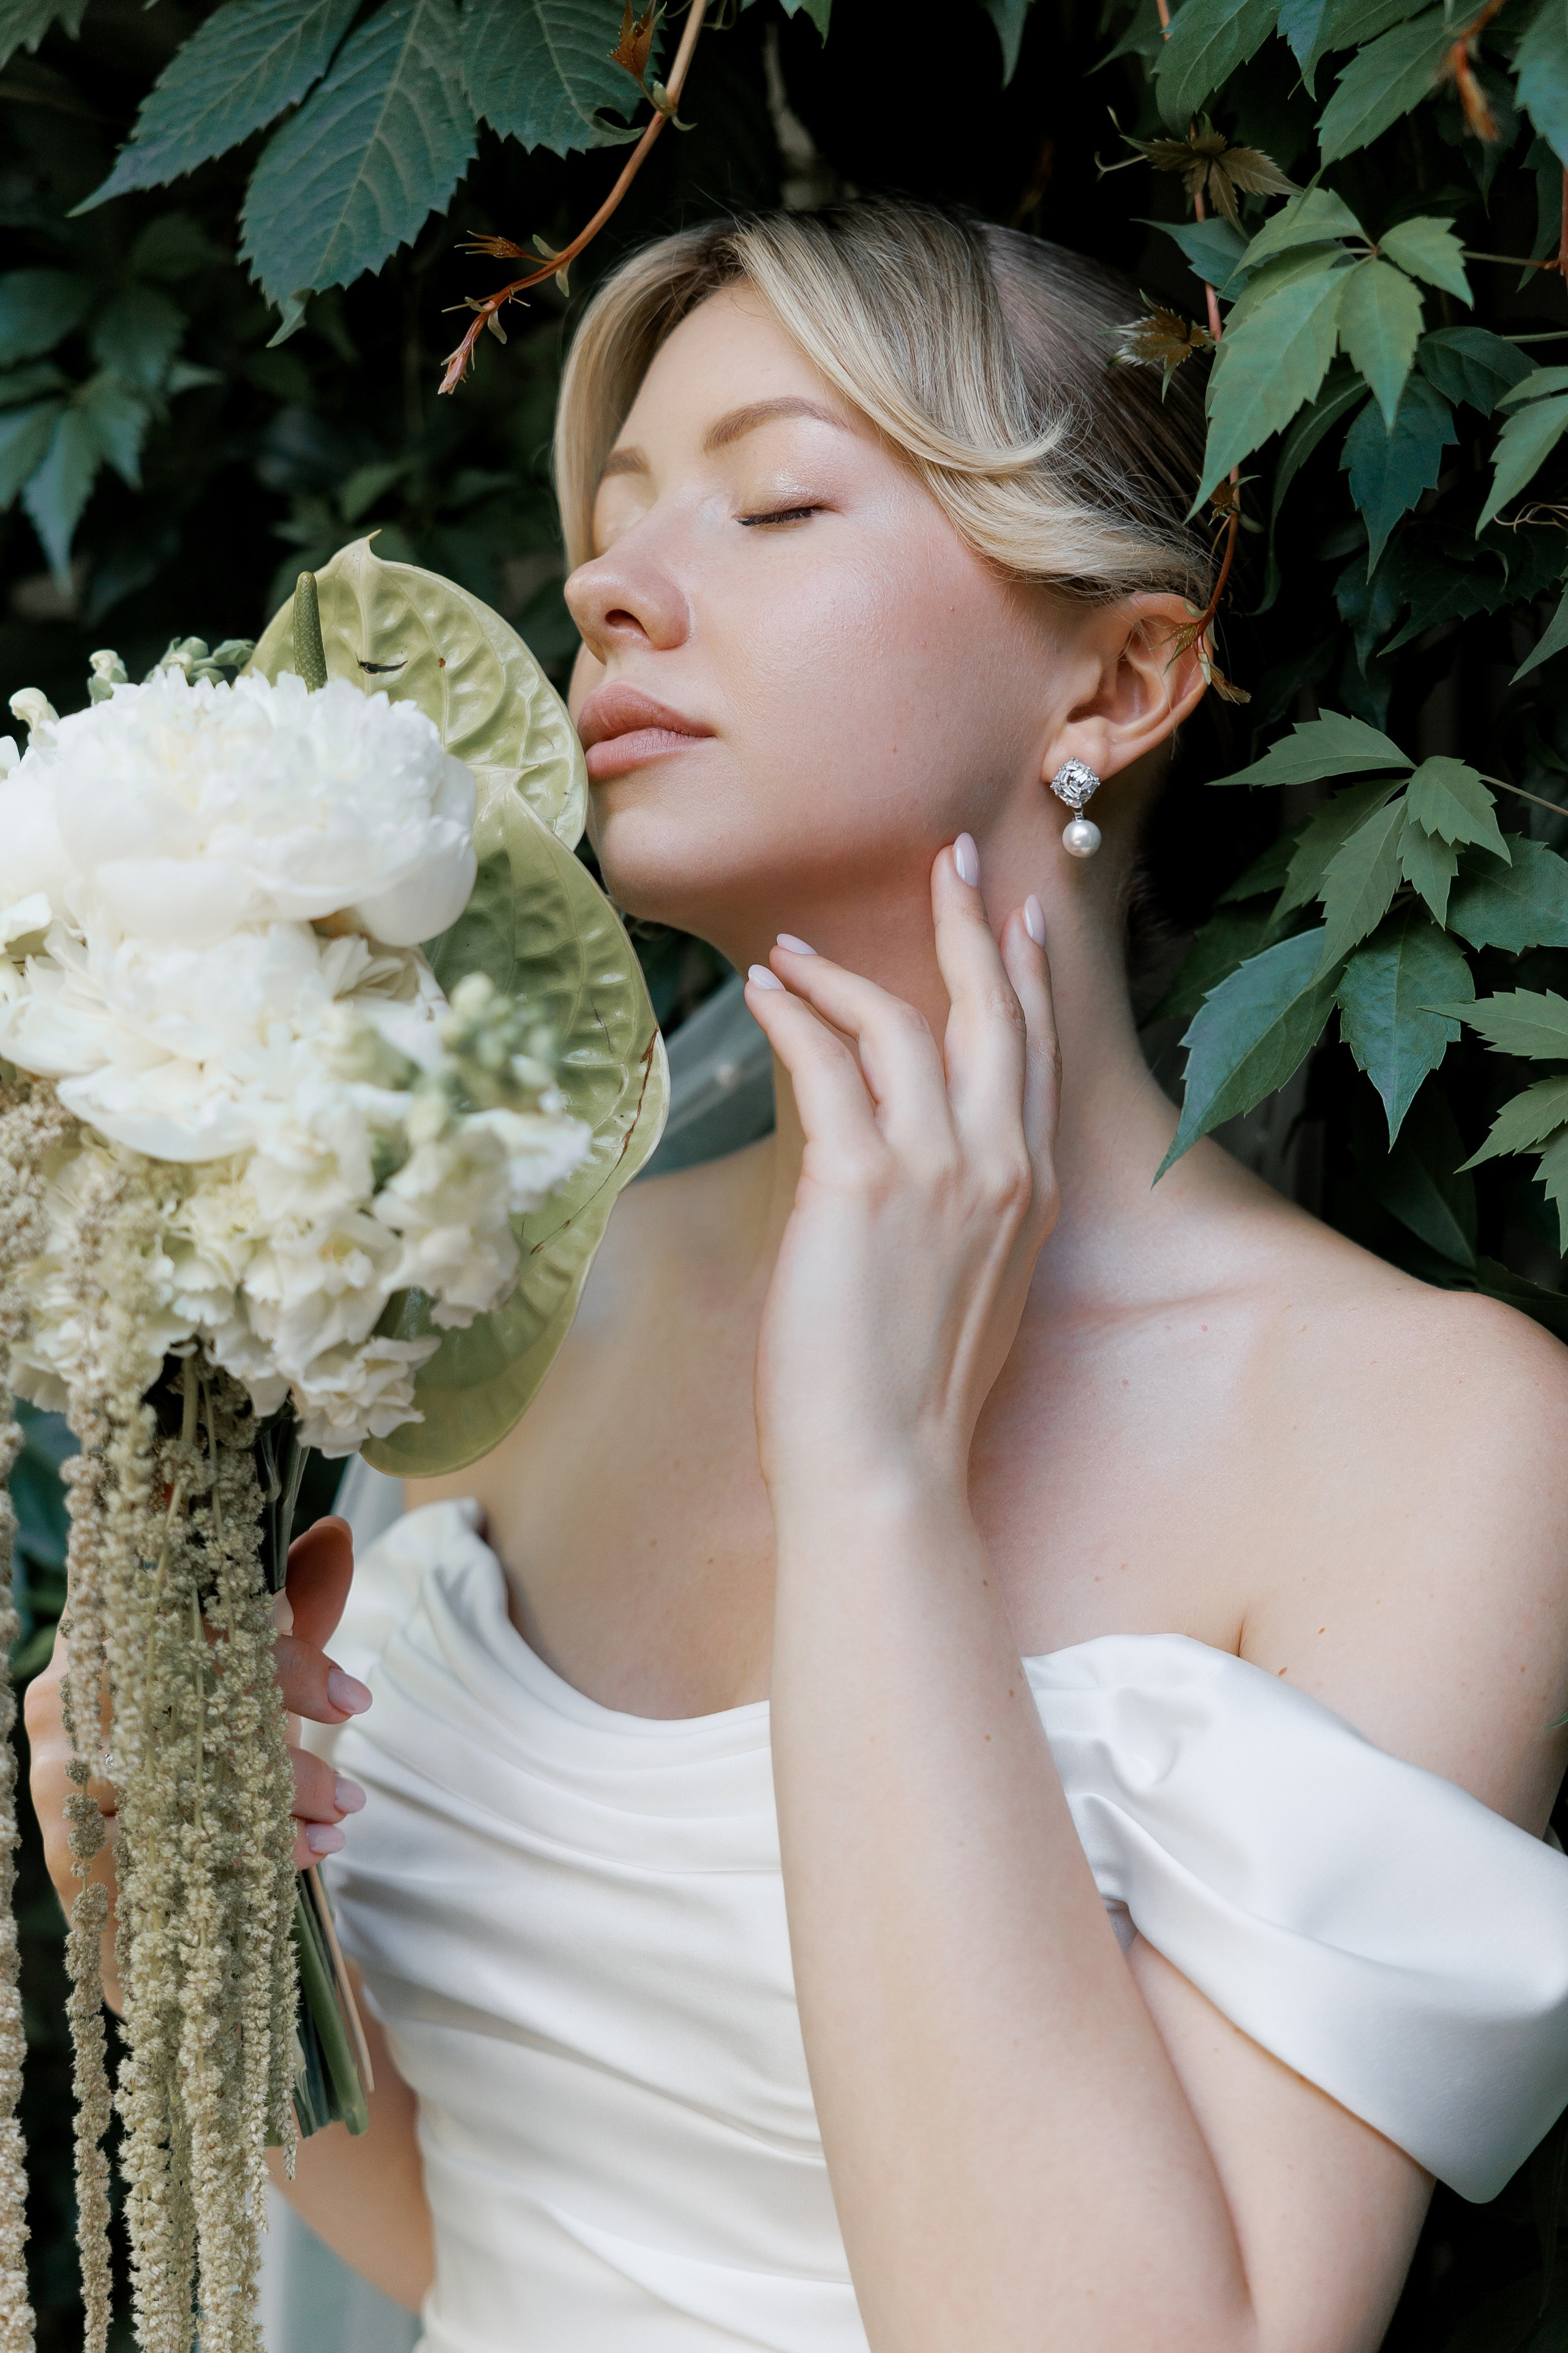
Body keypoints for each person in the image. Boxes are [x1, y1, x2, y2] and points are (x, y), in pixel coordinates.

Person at [29, 200, 1568, 2353]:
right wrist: (175, 1883)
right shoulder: (518, 1296)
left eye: (773, 501)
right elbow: (450, 2232)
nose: (607, 584)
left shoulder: (1435, 1431)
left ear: (1119, 677)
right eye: (618, 517)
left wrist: (875, 1481)